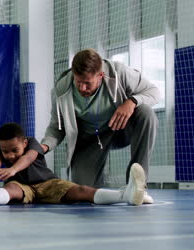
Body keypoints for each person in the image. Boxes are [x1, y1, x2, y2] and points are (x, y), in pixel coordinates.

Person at [40, 49, 159, 192]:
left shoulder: (119, 73)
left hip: (119, 130)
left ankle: (137, 185)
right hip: (88, 139)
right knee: (83, 190)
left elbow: (154, 92)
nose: (82, 88)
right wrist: (44, 147)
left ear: (101, 75)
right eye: (78, 82)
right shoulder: (61, 89)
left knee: (146, 112)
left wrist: (132, 101)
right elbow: (57, 127)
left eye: (87, 83)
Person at [0, 122, 149, 207]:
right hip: (22, 186)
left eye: (14, 150)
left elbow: (28, 158)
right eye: (6, 151)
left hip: (48, 183)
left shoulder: (33, 143)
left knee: (82, 191)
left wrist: (12, 169)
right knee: (12, 189)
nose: (9, 155)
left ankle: (125, 196)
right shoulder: (1, 149)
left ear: (24, 143)